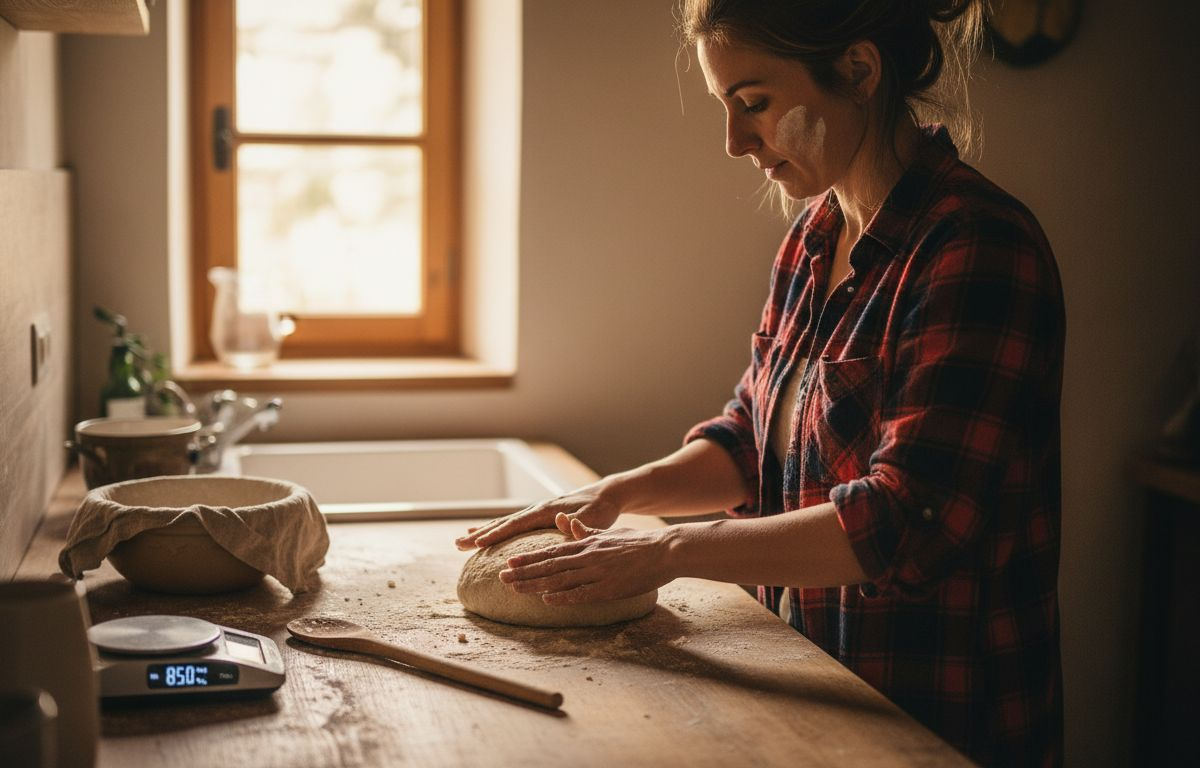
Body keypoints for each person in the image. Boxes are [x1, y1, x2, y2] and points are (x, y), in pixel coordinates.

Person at [456, 0, 1064, 764]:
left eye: (755, 104)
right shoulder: (814, 236)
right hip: (813, 694)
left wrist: (668, 551)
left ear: (859, 70)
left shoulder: (975, 248)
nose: (735, 142)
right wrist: (617, 494)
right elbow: (751, 438)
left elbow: (906, 520)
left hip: (935, 717)